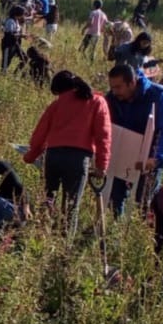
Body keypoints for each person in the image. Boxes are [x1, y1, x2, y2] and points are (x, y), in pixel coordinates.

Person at [23, 71, 112, 235]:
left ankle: (42, 236)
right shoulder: (97, 102)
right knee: (71, 206)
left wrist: (30, 156)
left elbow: (39, 134)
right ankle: (65, 247)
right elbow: (103, 136)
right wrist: (101, 166)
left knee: (48, 200)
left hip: (53, 157)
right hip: (78, 160)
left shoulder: (56, 106)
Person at [105, 63, 163, 216]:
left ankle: (139, 236)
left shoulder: (157, 97)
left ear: (132, 83)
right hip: (121, 155)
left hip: (149, 160)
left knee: (143, 203)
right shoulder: (113, 98)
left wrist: (156, 159)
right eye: (112, 87)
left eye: (118, 87)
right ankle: (114, 234)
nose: (114, 92)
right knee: (114, 198)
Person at [1, 5, 27, 74]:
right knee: (6, 62)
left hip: (16, 44)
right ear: (17, 14)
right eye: (22, 14)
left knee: (24, 58)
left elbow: (17, 33)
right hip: (8, 44)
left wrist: (23, 35)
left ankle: (15, 73)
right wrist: (22, 35)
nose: (23, 16)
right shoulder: (10, 21)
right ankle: (3, 74)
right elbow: (10, 34)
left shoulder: (16, 21)